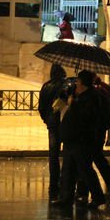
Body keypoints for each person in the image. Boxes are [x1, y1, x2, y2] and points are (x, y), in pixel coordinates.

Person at [51, 70, 107, 209]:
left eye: (78, 81)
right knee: (68, 171)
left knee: (85, 171)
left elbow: (87, 117)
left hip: (82, 140)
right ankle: (66, 198)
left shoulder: (93, 97)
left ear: (82, 82)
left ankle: (98, 197)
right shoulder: (80, 95)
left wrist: (74, 103)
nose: (75, 83)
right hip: (71, 140)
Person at [38, 64, 68, 200]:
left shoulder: (45, 87)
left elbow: (41, 108)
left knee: (53, 155)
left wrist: (47, 120)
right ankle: (65, 182)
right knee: (68, 154)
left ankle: (53, 185)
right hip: (66, 124)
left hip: (52, 125)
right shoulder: (67, 85)